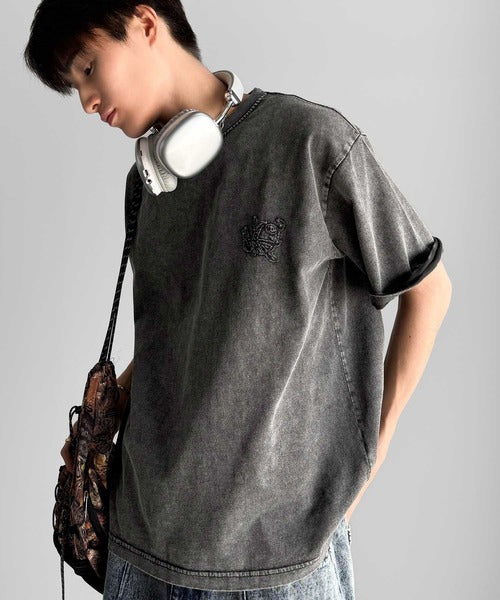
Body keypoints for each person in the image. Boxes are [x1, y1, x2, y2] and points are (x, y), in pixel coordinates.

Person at [24, 2, 452, 599]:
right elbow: (186, 330)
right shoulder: (147, 184)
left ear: (146, 24)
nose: (88, 102)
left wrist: (366, 464)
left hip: (280, 565)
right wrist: (108, 406)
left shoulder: (309, 143)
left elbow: (429, 289)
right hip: (138, 551)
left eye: (89, 68)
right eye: (76, 88)